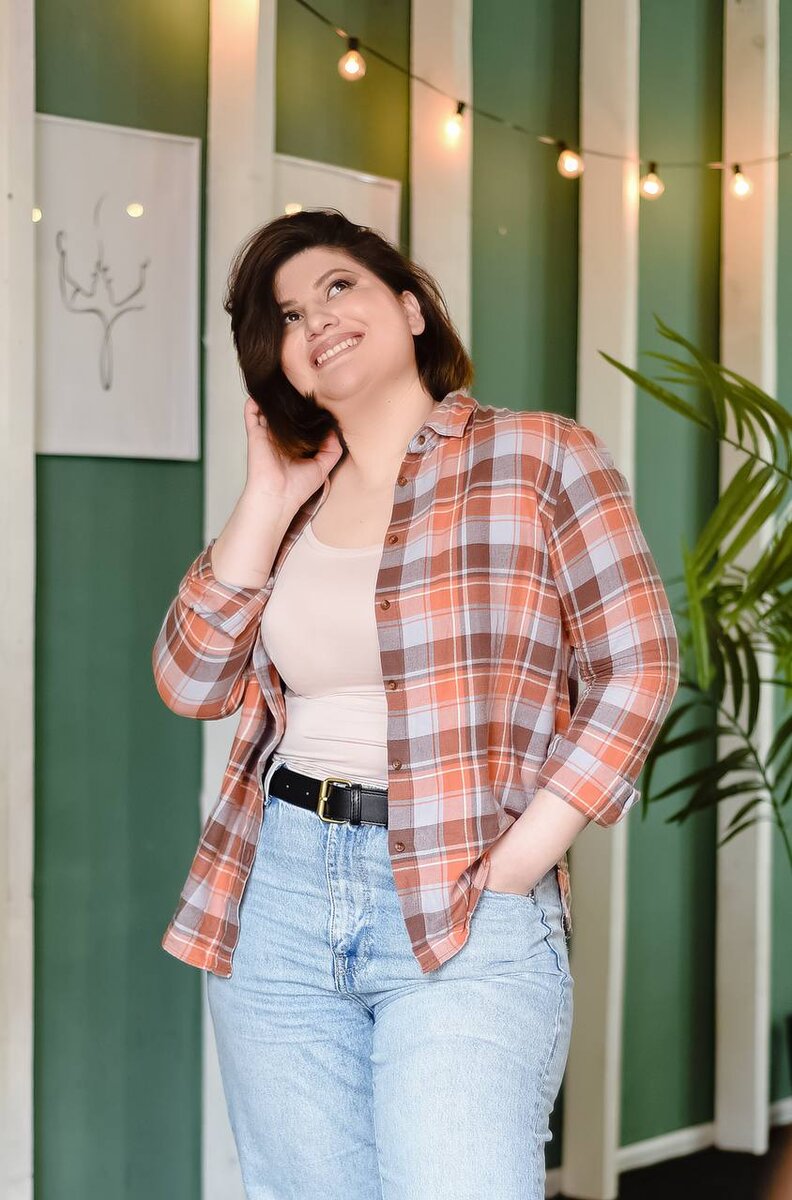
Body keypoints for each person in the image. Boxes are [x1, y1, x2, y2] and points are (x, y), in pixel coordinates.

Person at [152, 207, 680, 1199]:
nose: (316, 319)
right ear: (281, 366)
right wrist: (265, 498)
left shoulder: (540, 456)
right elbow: (192, 680)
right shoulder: (295, 506)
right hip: (277, 893)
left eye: (338, 287)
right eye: (288, 317)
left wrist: (519, 861)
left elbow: (639, 664)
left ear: (409, 307)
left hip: (463, 891)